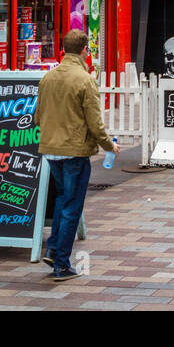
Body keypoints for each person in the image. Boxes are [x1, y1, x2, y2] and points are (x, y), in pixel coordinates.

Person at [33, 29, 117, 281]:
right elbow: (94, 122)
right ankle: (61, 264)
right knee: (71, 205)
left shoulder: (47, 78)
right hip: (74, 151)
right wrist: (109, 145)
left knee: (62, 200)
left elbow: (37, 117)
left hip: (50, 149)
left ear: (63, 49)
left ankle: (54, 249)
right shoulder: (84, 79)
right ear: (84, 51)